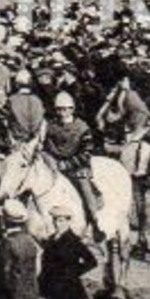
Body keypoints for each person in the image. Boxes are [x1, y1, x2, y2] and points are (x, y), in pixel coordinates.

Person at [44, 91, 104, 242]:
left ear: (72, 109)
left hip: (77, 168)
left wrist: (68, 164)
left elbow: (87, 152)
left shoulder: (82, 128)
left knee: (85, 190)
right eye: (59, 109)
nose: (62, 113)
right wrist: (51, 161)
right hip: (54, 166)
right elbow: (46, 146)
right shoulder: (51, 126)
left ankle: (95, 224)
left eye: (65, 109)